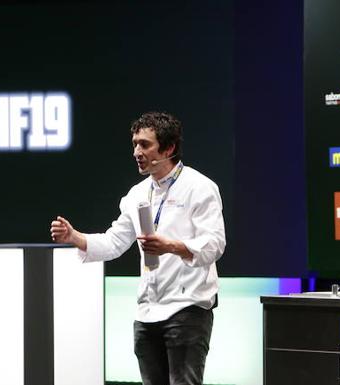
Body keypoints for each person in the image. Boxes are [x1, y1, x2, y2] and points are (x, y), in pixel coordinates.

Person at [50, 111, 225, 385]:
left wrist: (172, 246)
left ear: (169, 148)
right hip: (147, 312)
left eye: (145, 144)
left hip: (188, 308)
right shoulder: (137, 194)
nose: (136, 152)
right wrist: (75, 237)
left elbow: (214, 244)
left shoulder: (200, 187)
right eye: (134, 144)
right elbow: (114, 242)